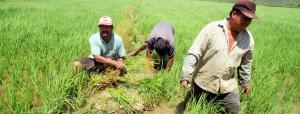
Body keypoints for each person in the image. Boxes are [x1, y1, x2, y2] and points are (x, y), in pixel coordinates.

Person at [179, 0, 257, 113]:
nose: (247, 22)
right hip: (203, 82)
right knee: (195, 109)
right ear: (234, 14)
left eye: (250, 19)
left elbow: (246, 62)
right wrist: (186, 75)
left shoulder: (248, 39)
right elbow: (195, 52)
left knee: (233, 109)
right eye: (245, 18)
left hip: (227, 85)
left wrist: (245, 82)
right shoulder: (212, 29)